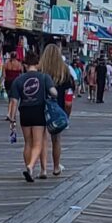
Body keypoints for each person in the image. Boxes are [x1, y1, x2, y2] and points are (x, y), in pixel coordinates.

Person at [11, 50, 54, 182]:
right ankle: (30, 166)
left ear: (25, 64)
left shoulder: (18, 80)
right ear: (38, 63)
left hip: (24, 112)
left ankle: (29, 168)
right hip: (38, 111)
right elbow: (53, 92)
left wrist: (12, 118)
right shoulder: (44, 77)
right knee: (38, 143)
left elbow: (14, 101)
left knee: (28, 143)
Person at [41, 44, 73, 177]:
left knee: (41, 139)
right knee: (56, 140)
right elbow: (68, 99)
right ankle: (55, 167)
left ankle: (43, 169)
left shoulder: (40, 70)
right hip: (57, 109)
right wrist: (66, 115)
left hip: (40, 107)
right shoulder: (64, 71)